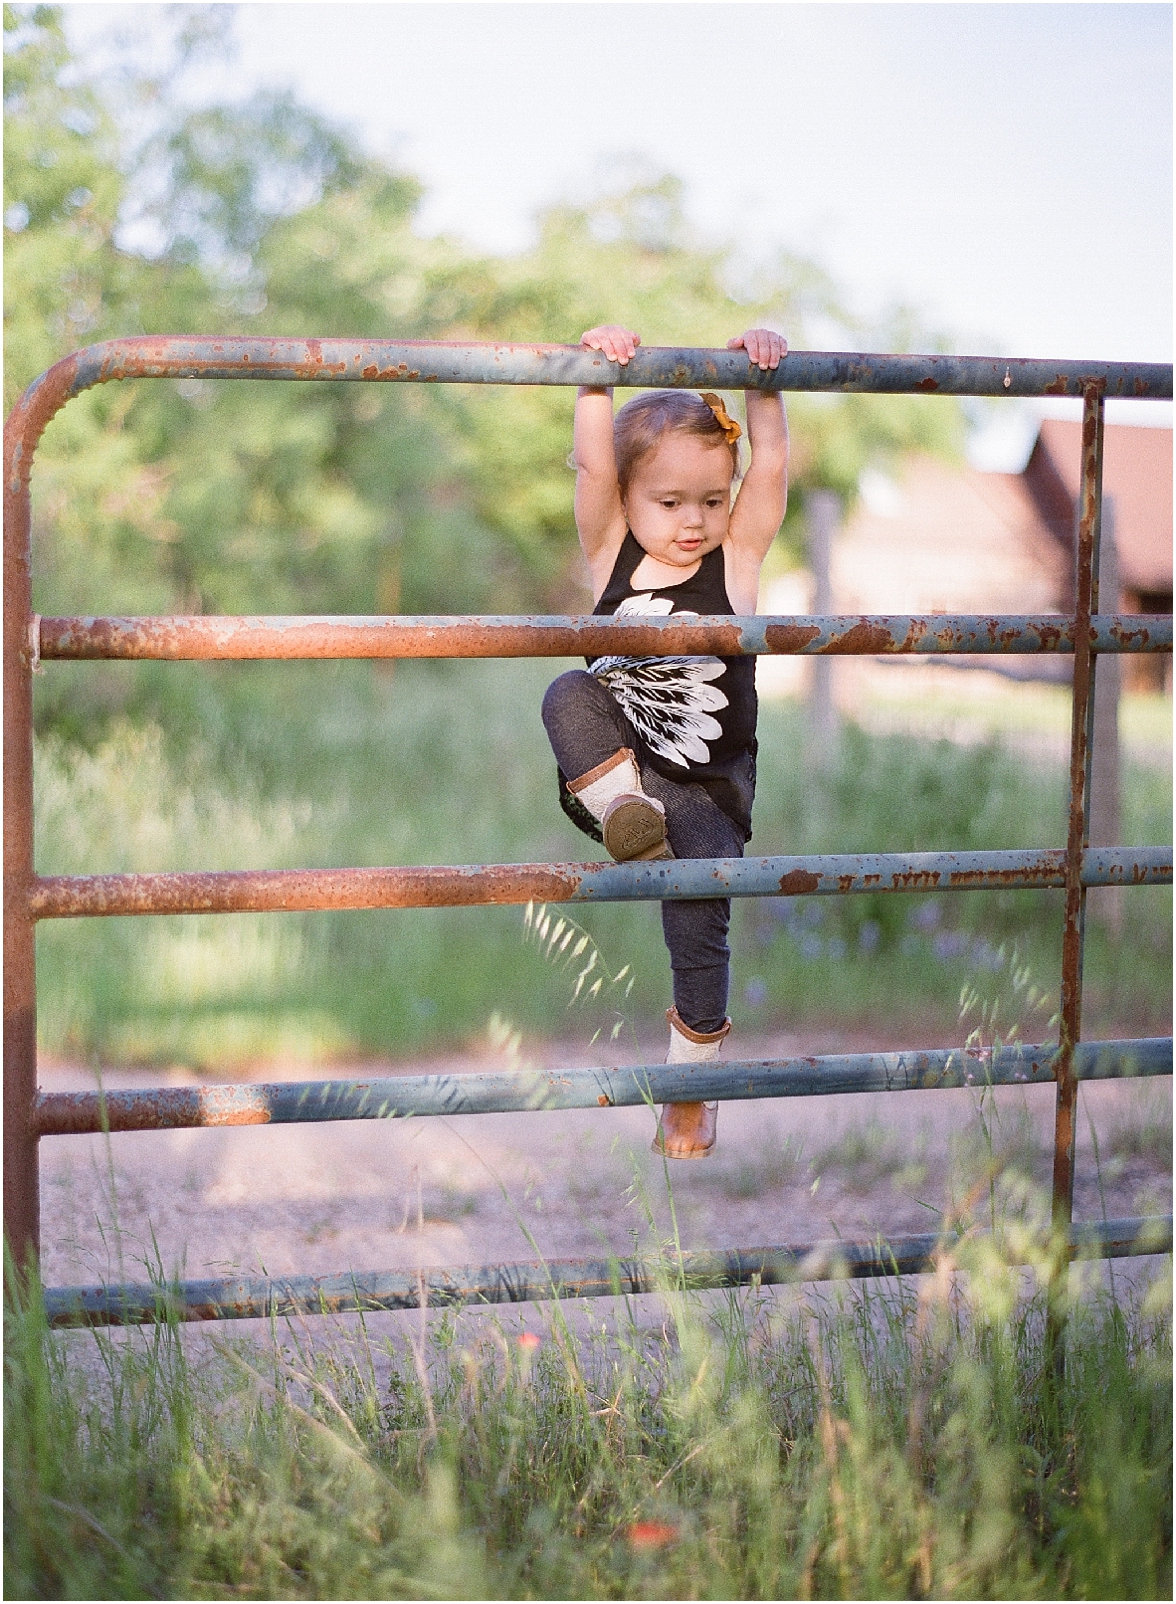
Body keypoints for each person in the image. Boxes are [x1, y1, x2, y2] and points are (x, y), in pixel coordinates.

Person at [542, 323, 789, 1158]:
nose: (695, 521)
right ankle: (628, 821)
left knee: (700, 920)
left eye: (712, 501)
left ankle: (690, 1089)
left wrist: (764, 383)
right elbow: (592, 465)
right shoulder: (609, 550)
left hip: (709, 793)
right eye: (670, 502)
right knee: (567, 692)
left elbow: (774, 470)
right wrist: (593, 379)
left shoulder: (738, 562)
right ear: (628, 502)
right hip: (617, 778)